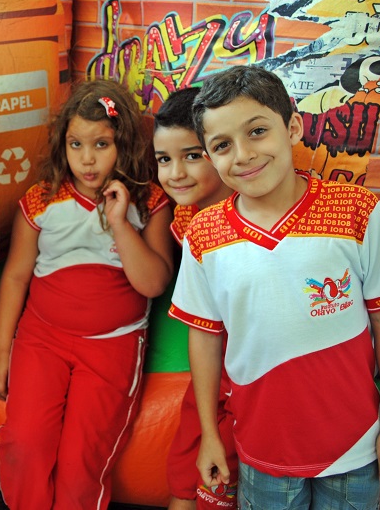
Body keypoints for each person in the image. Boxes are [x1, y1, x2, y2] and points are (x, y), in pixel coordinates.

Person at [171, 65, 380, 509]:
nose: (243, 154)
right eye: (223, 145)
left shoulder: (356, 210)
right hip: (262, 449)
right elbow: (205, 338)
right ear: (210, 156)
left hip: (355, 446)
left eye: (257, 131)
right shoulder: (204, 234)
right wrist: (210, 435)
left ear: (292, 127)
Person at [0, 79, 174, 509]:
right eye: (76, 145)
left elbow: (153, 284)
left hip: (112, 347)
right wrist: (2, 352)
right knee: (25, 444)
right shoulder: (41, 200)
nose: (87, 159)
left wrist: (120, 221)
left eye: (101, 144)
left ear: (123, 144)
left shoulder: (149, 202)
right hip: (42, 341)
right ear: (63, 145)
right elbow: (15, 277)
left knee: (80, 463)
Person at [153, 87, 236, 510]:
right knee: (186, 473)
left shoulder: (248, 212)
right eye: (164, 159)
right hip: (210, 373)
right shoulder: (185, 215)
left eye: (191, 156)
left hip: (249, 374)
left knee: (218, 486)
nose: (175, 173)